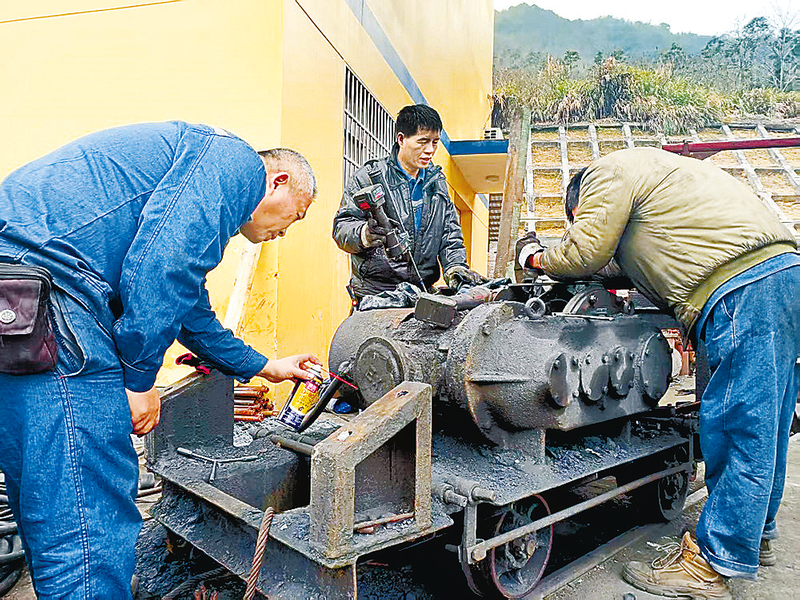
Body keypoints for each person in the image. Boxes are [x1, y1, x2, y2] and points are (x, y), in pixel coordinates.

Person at [0, 122, 320, 598]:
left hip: (17, 304)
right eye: (296, 215)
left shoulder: (184, 174)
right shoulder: (235, 163)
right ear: (277, 181)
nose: (284, 232)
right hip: (55, 299)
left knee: (49, 494)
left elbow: (190, 309)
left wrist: (266, 367)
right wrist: (139, 378)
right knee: (88, 521)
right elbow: (163, 268)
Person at [517, 147, 800, 599]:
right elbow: (615, 263)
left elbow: (585, 252)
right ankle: (754, 535)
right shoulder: (659, 176)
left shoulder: (605, 173)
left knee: (735, 426)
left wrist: (534, 257)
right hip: (781, 275)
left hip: (741, 288)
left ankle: (712, 565)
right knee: (767, 421)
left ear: (578, 202)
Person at [332, 104, 484, 302]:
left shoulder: (437, 184)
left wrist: (456, 270)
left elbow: (450, 237)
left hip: (421, 296)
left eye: (435, 142)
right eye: (423, 142)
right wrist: (364, 235)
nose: (430, 150)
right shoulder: (369, 177)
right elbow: (342, 228)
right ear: (401, 139)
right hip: (376, 296)